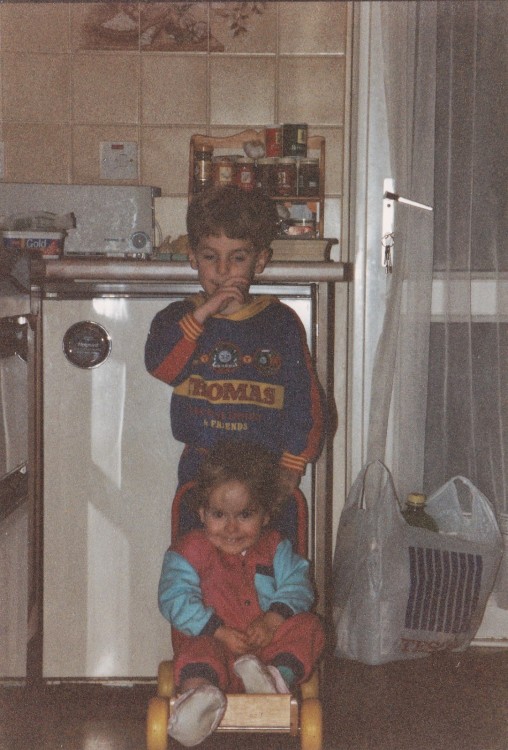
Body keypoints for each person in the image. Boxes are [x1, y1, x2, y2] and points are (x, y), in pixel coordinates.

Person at [144, 185, 325, 501]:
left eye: (237, 258)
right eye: (210, 257)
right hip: (201, 465)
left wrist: (294, 461)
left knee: (266, 549)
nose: (223, 270)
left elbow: (305, 397)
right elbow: (163, 369)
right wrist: (203, 314)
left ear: (259, 262)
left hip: (265, 468)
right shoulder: (179, 317)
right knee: (195, 548)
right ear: (193, 258)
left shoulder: (279, 322)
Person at [158, 440, 325, 747]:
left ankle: (275, 679)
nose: (231, 528)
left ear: (265, 515)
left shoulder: (275, 547)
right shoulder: (190, 550)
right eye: (219, 515)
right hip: (213, 643)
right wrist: (217, 631)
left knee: (310, 628)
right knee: (197, 650)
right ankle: (198, 698)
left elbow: (298, 584)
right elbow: (174, 597)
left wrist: (273, 620)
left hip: (266, 648)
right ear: (202, 512)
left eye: (245, 515)